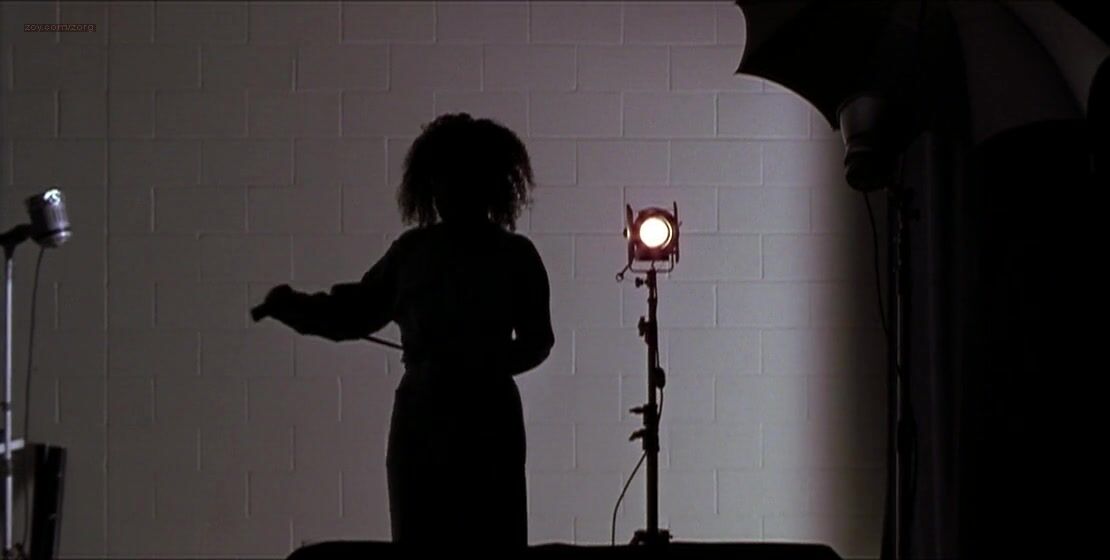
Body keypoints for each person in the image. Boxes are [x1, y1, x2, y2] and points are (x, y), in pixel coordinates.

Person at [255, 113, 554, 548]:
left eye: (458, 176)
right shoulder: (417, 252)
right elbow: (353, 312)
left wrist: (478, 364)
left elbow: (537, 340)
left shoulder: (510, 255)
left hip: (480, 420)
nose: (446, 188)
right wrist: (293, 308)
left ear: (486, 183)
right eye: (441, 178)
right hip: (429, 417)